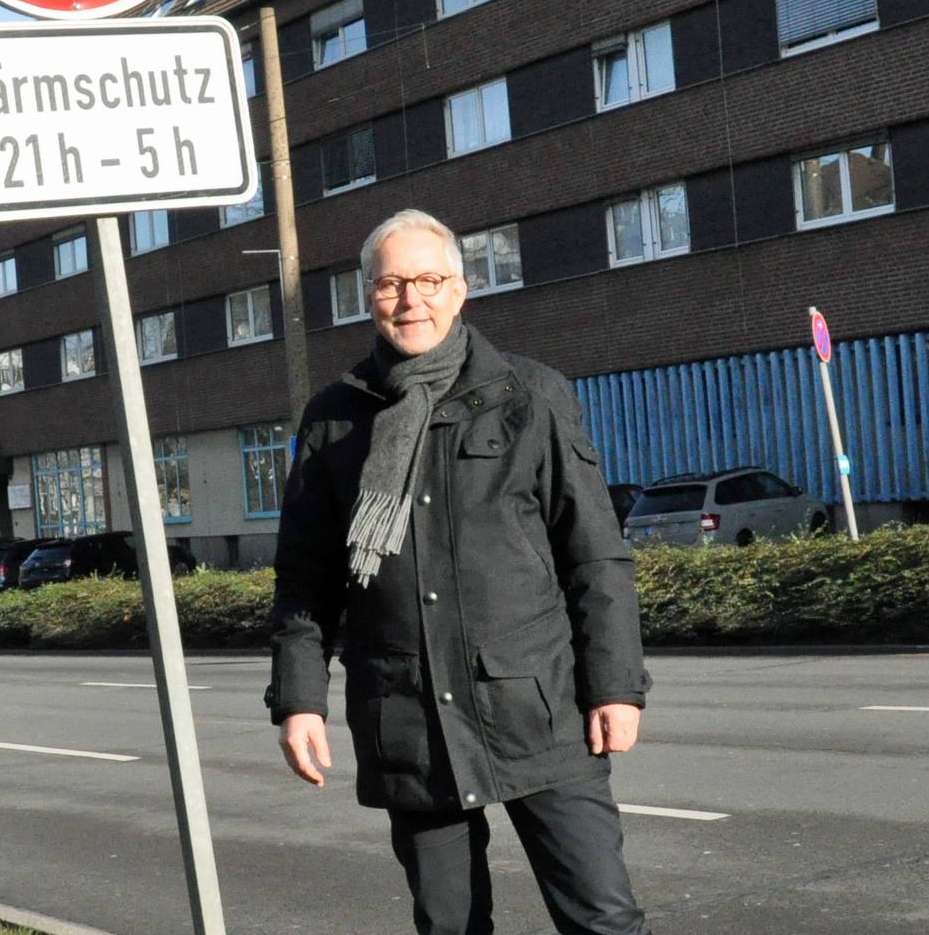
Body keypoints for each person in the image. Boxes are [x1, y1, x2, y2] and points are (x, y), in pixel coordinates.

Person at [267, 209, 649, 935]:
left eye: (429, 280)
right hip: (410, 721)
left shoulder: (530, 396)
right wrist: (298, 699)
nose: (412, 299)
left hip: (539, 709)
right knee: (450, 927)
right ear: (367, 296)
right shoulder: (336, 419)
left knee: (604, 918)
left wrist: (617, 687)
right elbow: (305, 578)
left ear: (461, 289)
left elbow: (594, 552)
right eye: (390, 284)